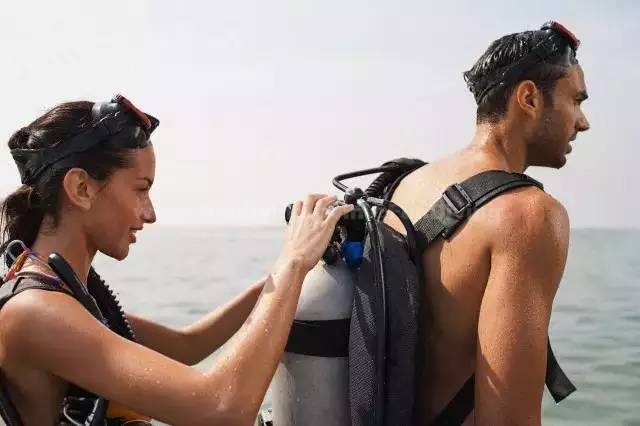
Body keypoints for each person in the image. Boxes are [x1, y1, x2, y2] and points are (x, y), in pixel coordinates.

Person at [0, 95, 353, 425]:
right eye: (141, 189)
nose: (150, 213)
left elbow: (187, 345)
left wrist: (295, 270)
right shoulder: (36, 312)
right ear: (81, 188)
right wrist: (293, 262)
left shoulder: (68, 293)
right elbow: (224, 410)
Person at [383, 22, 590, 424]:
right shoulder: (528, 215)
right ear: (529, 98)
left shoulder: (408, 183)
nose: (583, 122)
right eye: (576, 100)